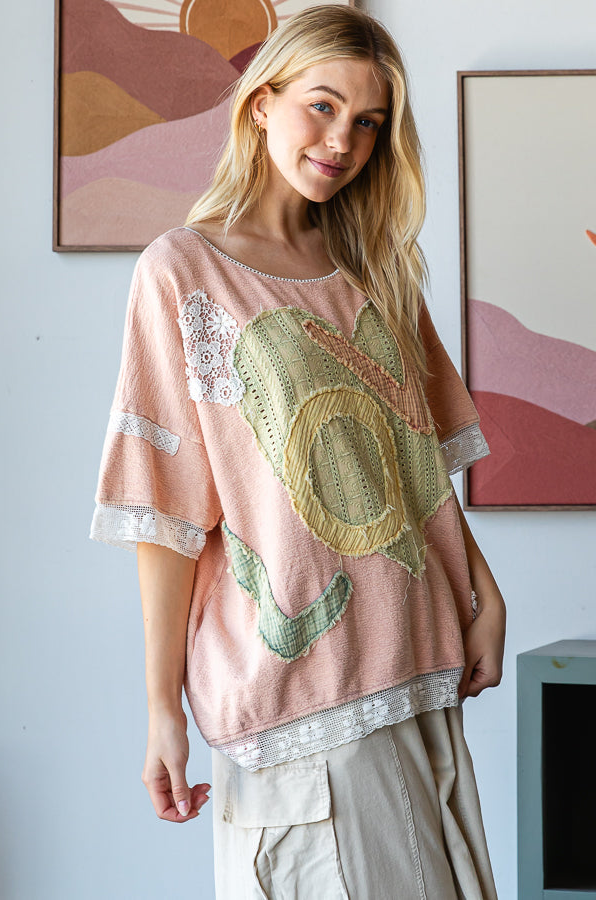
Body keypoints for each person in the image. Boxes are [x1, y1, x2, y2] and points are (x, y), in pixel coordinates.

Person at [91, 5, 506, 897]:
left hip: (416, 663)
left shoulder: (377, 268)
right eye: (322, 106)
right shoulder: (184, 272)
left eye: (369, 121)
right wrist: (161, 707)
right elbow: (166, 511)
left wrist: (484, 588)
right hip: (297, 702)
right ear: (261, 103)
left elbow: (415, 468)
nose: (343, 140)